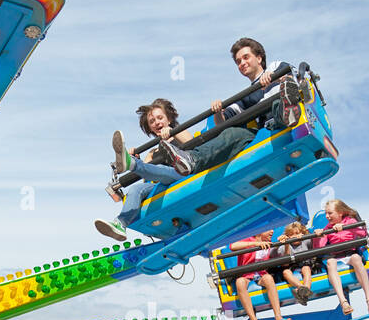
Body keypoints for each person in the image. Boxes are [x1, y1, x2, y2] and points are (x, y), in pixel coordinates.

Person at [98, 98, 256, 241]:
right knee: (135, 189)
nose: (157, 122)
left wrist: (172, 132)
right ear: (149, 127)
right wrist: (139, 159)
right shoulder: (152, 153)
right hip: (163, 182)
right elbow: (147, 180)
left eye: (160, 118)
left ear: (168, 119)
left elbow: (195, 146)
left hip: (185, 173)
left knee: (161, 168)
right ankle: (121, 223)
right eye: (152, 121)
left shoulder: (178, 132)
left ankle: (131, 163)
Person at [211, 37, 298, 132]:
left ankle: (289, 111)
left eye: (246, 57)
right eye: (238, 62)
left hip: (280, 114)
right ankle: (195, 147)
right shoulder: (246, 96)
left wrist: (274, 77)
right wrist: (217, 111)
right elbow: (222, 123)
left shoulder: (275, 67)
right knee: (231, 134)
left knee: (277, 103)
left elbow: (294, 78)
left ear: (259, 58)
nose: (242, 63)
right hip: (266, 128)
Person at [313, 199, 369, 316]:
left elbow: (362, 233)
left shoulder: (350, 221)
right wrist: (319, 236)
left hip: (350, 254)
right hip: (336, 257)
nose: (327, 216)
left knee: (356, 258)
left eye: (330, 213)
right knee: (330, 262)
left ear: (340, 213)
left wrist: (345, 226)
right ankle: (343, 302)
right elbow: (319, 247)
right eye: (326, 213)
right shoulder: (328, 227)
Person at [228, 231, 286, 320]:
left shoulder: (269, 242)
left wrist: (283, 242)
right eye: (269, 229)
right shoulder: (249, 239)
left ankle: (278, 318)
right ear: (260, 231)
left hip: (261, 274)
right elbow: (233, 246)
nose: (272, 231)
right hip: (246, 275)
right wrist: (256, 244)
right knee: (239, 282)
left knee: (269, 278)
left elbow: (277, 254)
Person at [275, 222, 316, 306]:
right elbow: (285, 263)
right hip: (291, 266)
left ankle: (303, 290)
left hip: (305, 264)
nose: (294, 236)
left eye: (296, 233)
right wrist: (286, 244)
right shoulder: (285, 246)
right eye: (291, 235)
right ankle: (302, 289)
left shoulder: (305, 241)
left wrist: (304, 236)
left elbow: (315, 241)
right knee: (286, 272)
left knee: (306, 269)